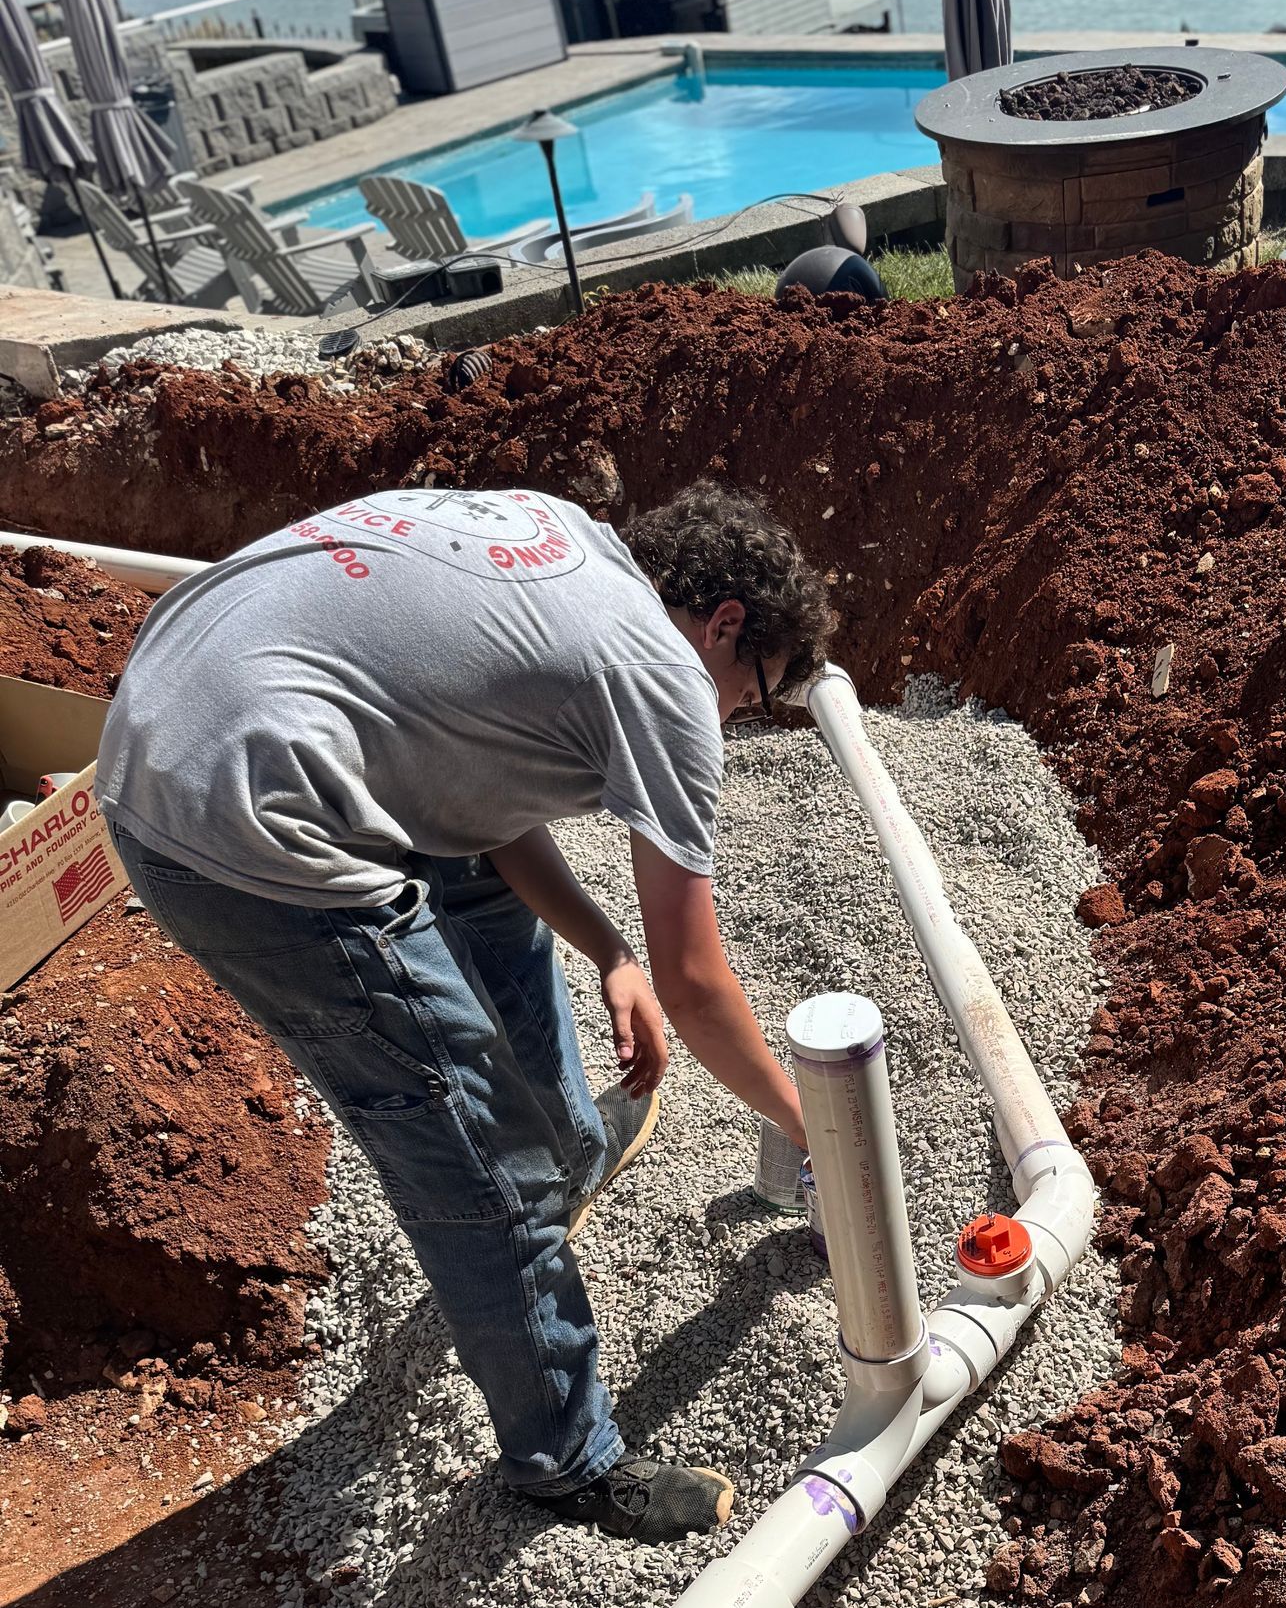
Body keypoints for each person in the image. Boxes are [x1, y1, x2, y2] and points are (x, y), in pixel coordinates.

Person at [97, 479, 833, 1544]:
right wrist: (810, 1124)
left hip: (166, 720)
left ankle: (575, 1150)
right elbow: (700, 982)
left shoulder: (558, 540)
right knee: (476, 1148)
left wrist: (607, 949)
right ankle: (565, 1458)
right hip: (243, 827)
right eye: (755, 693)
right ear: (725, 626)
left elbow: (473, 803)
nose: (735, 718)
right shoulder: (667, 675)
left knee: (482, 896)